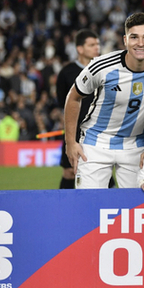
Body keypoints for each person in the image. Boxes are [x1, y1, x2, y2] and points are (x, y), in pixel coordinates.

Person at [64, 13, 144, 189]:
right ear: (125, 40)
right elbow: (73, 98)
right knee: (90, 205)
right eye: (134, 37)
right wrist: (70, 142)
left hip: (138, 145)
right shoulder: (101, 66)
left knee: (136, 208)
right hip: (96, 143)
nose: (140, 43)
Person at [55, 29, 100, 189]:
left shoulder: (103, 69)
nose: (97, 48)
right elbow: (63, 103)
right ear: (80, 49)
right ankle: (63, 209)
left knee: (103, 172)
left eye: (97, 44)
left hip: (98, 132)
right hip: (74, 131)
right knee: (69, 172)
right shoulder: (66, 72)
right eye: (92, 44)